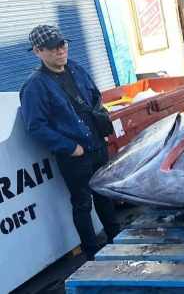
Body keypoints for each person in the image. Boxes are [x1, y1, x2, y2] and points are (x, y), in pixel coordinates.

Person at [19, 25, 120, 260]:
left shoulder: (76, 68)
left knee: (104, 193)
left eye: (62, 44)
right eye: (52, 47)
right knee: (82, 203)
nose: (59, 50)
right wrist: (70, 147)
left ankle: (117, 238)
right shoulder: (34, 86)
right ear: (37, 51)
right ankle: (92, 252)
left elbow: (95, 97)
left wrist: (103, 126)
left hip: (97, 145)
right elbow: (36, 126)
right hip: (75, 156)